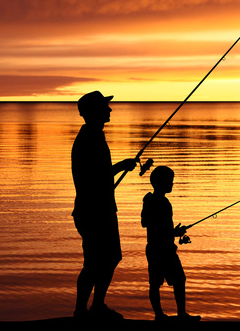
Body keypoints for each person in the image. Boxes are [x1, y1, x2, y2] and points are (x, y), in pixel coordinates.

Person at [71, 91, 137, 320]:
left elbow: (97, 178)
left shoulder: (94, 135)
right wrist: (121, 165)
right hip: (93, 211)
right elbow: (95, 177)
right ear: (94, 111)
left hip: (100, 208)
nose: (110, 110)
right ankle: (82, 310)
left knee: (109, 258)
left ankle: (96, 306)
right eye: (105, 107)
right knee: (95, 262)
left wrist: (119, 169)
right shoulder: (90, 137)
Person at [141, 166, 201, 322]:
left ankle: (175, 314)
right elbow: (147, 223)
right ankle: (162, 315)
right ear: (162, 183)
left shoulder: (160, 201)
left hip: (163, 247)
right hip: (159, 249)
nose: (172, 184)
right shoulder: (153, 201)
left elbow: (154, 225)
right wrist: (174, 233)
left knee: (175, 280)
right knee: (159, 282)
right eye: (170, 181)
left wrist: (174, 232)